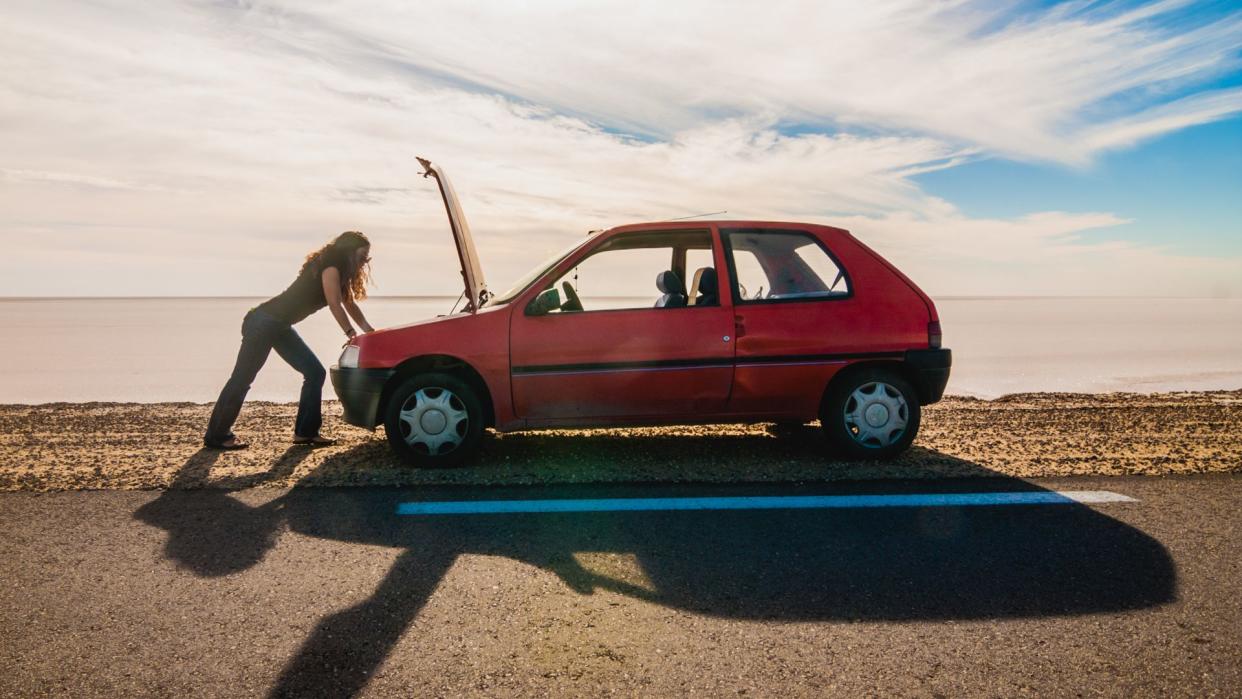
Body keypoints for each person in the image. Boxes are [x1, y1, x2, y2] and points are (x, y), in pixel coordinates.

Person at [203, 231, 375, 449]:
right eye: (362, 255)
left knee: (314, 372)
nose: (365, 261)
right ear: (349, 251)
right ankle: (216, 435)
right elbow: (334, 303)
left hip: (278, 325)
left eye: (367, 257)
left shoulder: (339, 273)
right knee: (242, 378)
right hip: (263, 322)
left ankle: (306, 433)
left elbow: (349, 303)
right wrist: (351, 333)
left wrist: (368, 331)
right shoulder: (331, 267)